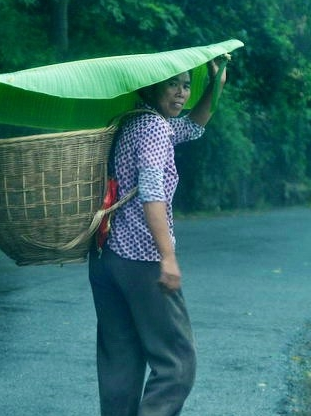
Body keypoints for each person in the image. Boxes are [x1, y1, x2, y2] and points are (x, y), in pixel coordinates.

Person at [88, 54, 229, 416]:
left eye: (186, 84)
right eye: (173, 84)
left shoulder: (136, 122)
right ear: (151, 87)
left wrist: (215, 84)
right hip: (141, 260)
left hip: (106, 258)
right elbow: (152, 191)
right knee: (176, 364)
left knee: (120, 361)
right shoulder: (154, 128)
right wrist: (167, 257)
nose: (182, 93)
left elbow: (194, 125)